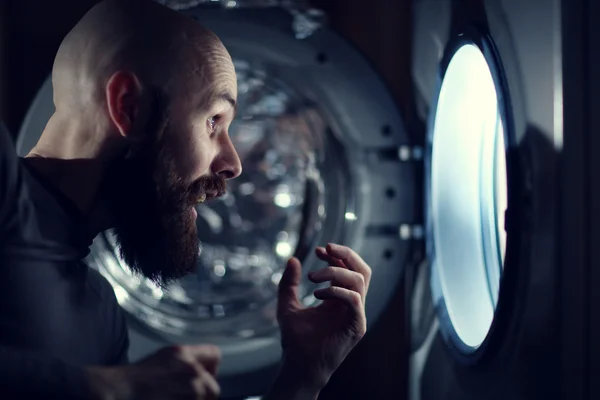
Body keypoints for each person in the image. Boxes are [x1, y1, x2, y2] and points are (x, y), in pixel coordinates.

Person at [0, 0, 373, 399]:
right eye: (213, 120)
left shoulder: (101, 312)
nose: (233, 164)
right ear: (129, 107)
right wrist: (101, 388)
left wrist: (303, 377)